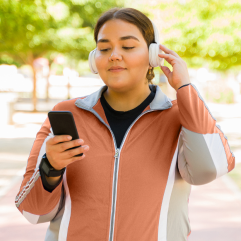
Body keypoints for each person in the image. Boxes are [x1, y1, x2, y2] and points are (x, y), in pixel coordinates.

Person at [15, 7, 235, 241]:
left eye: (128, 46)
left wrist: (185, 88)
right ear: (94, 59)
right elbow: (32, 211)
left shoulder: (182, 116)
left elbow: (210, 169)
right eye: (104, 48)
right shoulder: (65, 114)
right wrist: (51, 168)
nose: (114, 55)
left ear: (153, 56)